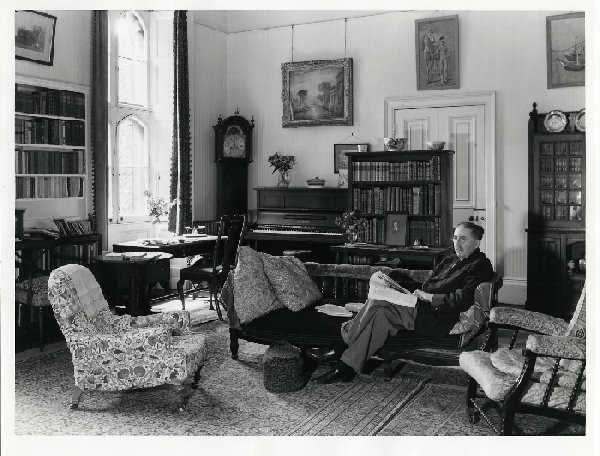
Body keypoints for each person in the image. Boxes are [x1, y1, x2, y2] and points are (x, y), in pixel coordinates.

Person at [310, 221, 494, 384]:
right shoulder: (450, 259)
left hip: (441, 316)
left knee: (378, 300)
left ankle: (339, 347)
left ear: (476, 243)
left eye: (463, 239)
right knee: (381, 315)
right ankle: (346, 368)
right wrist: (406, 290)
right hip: (423, 306)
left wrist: (428, 297)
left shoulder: (480, 265)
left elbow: (464, 299)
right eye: (455, 237)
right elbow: (429, 284)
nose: (457, 243)